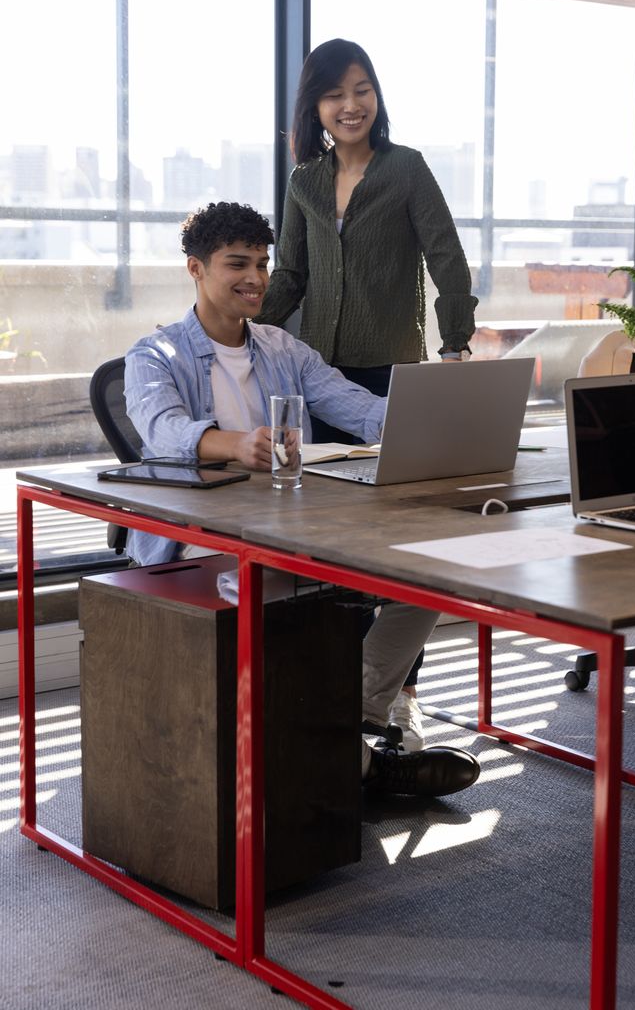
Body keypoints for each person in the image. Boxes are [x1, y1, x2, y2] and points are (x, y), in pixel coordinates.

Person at [123, 200, 480, 800]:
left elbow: (356, 407)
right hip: (204, 548)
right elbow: (160, 432)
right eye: (238, 263)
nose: (256, 279)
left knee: (430, 574)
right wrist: (238, 445)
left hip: (294, 532)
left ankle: (350, 723)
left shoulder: (283, 350)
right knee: (285, 612)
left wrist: (437, 420)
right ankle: (360, 763)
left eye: (263, 263)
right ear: (196, 269)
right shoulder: (154, 356)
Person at [258, 38, 479, 749]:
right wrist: (244, 332)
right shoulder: (304, 183)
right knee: (336, 541)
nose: (350, 105)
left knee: (402, 543)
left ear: (376, 96)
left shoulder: (406, 170)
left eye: (362, 89)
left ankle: (400, 695)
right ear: (315, 108)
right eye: (334, 94)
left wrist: (454, 346)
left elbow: (449, 260)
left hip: (391, 375)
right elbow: (290, 273)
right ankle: (345, 692)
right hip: (319, 378)